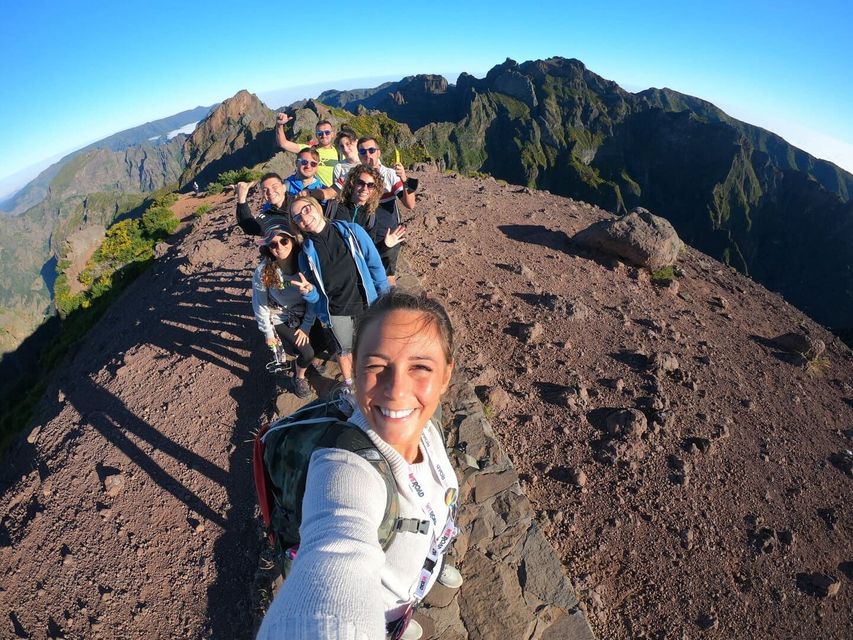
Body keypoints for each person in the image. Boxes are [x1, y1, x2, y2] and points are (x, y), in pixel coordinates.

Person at [257, 291, 463, 640]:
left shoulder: (428, 425)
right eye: (376, 366)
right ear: (353, 368)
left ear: (445, 377)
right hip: (379, 608)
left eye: (420, 367)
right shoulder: (342, 467)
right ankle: (393, 621)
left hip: (415, 572)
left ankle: (422, 584)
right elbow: (337, 545)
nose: (396, 390)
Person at [289, 196, 389, 392]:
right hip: (336, 311)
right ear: (297, 225)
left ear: (317, 208)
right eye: (297, 217)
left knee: (372, 345)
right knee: (343, 349)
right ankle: (351, 386)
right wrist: (309, 293)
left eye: (306, 209)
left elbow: (375, 266)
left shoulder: (352, 232)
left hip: (365, 303)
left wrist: (386, 298)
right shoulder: (305, 255)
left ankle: (377, 381)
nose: (304, 218)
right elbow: (316, 295)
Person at [251, 224, 323, 398]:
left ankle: (306, 361)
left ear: (292, 241)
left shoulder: (305, 265)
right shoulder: (264, 271)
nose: (279, 247)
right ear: (268, 248)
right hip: (281, 316)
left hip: (304, 312)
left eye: (284, 241)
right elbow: (259, 304)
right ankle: (299, 377)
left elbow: (314, 297)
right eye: (273, 244)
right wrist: (268, 332)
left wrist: (306, 326)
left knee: (322, 342)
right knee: (307, 352)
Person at [328, 166, 407, 283]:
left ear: (375, 190)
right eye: (360, 183)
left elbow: (370, 252)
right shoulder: (334, 208)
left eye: (371, 185)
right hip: (332, 270)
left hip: (355, 275)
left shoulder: (371, 217)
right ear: (352, 183)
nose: (365, 188)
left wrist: (385, 245)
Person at [276, 112, 338, 188]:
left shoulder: (340, 152)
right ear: (316, 135)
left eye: (327, 132)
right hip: (314, 194)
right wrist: (279, 125)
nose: (324, 136)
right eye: (320, 133)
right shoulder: (309, 150)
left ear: (332, 134)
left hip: (335, 195)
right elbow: (283, 144)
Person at [235, 172, 290, 236]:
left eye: (274, 187)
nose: (270, 192)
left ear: (284, 188)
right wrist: (241, 199)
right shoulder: (269, 216)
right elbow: (251, 228)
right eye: (265, 190)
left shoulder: (298, 202)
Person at [331, 127, 361, 193]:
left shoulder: (367, 163)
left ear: (356, 142)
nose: (345, 149)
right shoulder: (339, 167)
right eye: (342, 146)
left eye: (348, 144)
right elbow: (336, 193)